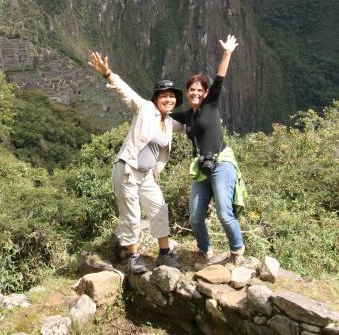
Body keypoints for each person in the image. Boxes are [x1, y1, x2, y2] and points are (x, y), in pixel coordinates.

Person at [88, 51, 185, 274]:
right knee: (131, 214)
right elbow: (127, 93)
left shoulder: (170, 123)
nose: (168, 99)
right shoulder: (146, 109)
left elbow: (191, 128)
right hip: (128, 171)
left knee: (159, 208)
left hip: (147, 175)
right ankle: (133, 256)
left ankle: (164, 253)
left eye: (172, 97)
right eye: (164, 96)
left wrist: (208, 118)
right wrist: (108, 74)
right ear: (156, 98)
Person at [172, 34, 245, 267]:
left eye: (198, 90)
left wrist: (227, 53)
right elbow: (160, 111)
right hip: (202, 167)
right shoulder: (188, 115)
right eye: (191, 90)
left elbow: (219, 79)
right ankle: (205, 251)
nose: (195, 93)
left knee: (224, 213)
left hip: (221, 164)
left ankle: (236, 251)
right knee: (195, 217)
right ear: (187, 92)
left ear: (204, 93)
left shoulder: (210, 105)